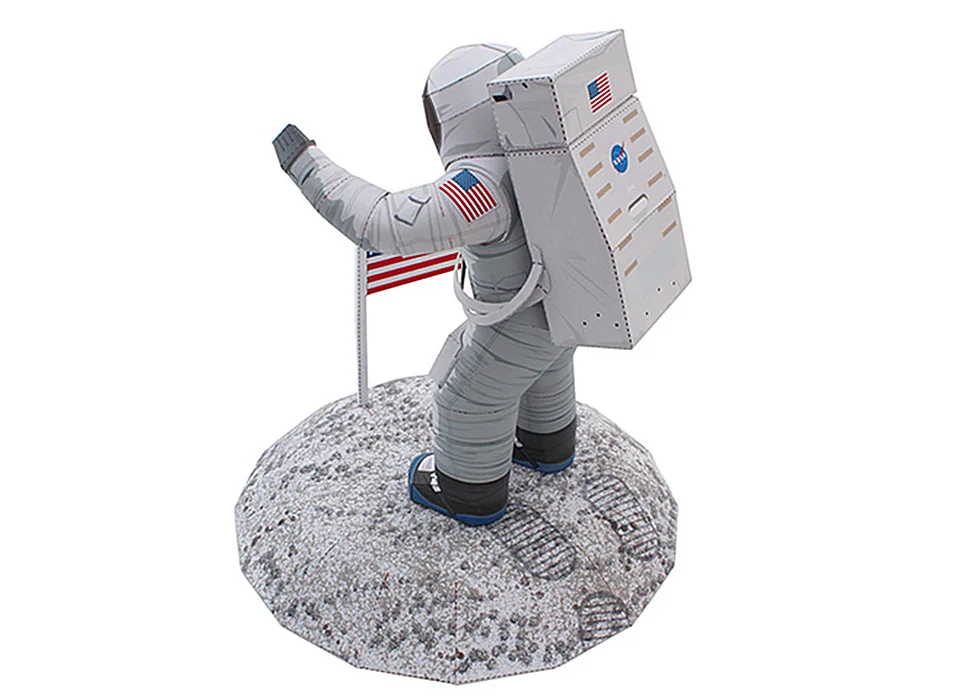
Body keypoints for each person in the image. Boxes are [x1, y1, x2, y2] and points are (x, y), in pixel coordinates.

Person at [273, 44, 576, 526]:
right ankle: (547, 442)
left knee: (467, 397)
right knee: (544, 365)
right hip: (566, 307)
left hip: (517, 316)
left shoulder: (485, 184)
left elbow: (382, 223)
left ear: (455, 114)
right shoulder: (553, 155)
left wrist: (305, 163)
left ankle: (467, 492)